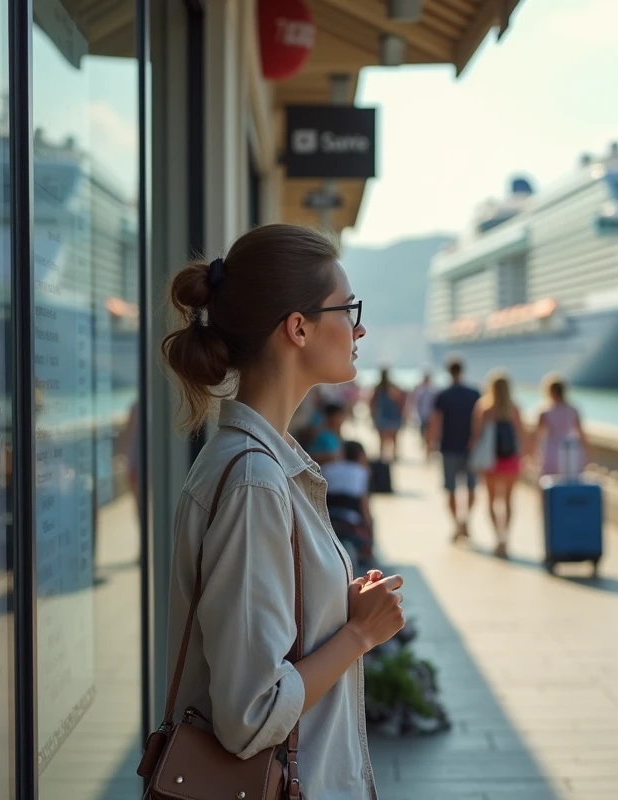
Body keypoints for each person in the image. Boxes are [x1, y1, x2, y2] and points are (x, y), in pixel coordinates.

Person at [158, 223, 404, 799]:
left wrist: (330, 611)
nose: (358, 325)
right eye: (347, 308)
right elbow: (249, 716)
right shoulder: (256, 481)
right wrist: (358, 634)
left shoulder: (262, 465)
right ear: (298, 328)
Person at [427, 357, 481, 543]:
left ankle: (457, 525)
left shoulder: (443, 395)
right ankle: (465, 520)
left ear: (449, 371)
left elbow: (435, 422)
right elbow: (481, 422)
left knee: (450, 489)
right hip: (471, 448)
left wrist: (429, 445)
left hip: (448, 447)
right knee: (472, 487)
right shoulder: (474, 393)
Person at [472, 371, 525, 558]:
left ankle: (497, 537)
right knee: (509, 501)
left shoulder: (485, 407)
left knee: (492, 500)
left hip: (491, 461)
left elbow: (477, 435)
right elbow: (521, 434)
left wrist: (472, 456)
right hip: (510, 461)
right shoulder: (514, 408)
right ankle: (506, 537)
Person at [323, 440, 375, 573]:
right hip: (351, 520)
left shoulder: (327, 469)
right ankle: (367, 557)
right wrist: (369, 525)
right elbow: (364, 504)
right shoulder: (362, 472)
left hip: (328, 519)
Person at [530, 373, 588, 479]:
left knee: (546, 485)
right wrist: (587, 455)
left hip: (550, 452)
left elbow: (537, 435)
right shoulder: (573, 409)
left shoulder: (544, 411)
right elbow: (581, 434)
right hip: (570, 452)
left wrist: (532, 454)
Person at [369, 367, 405, 462]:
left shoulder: (378, 388)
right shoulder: (392, 387)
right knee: (393, 438)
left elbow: (372, 404)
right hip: (392, 415)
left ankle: (383, 456)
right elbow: (400, 402)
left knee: (382, 439)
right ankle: (393, 456)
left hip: (383, 415)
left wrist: (372, 416)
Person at [409, 371, 437, 457]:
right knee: (426, 435)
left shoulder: (424, 390)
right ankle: (427, 450)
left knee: (427, 434)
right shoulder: (430, 390)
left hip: (426, 416)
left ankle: (427, 450)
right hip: (425, 416)